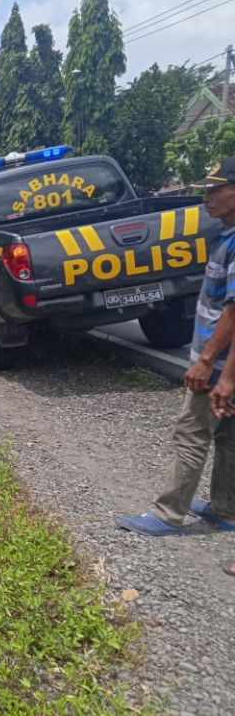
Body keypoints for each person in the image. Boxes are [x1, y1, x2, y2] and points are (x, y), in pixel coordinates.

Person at [117, 155, 235, 536]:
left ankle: (168, 514)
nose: (207, 197)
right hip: (224, 365)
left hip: (219, 365)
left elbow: (233, 313)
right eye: (206, 190)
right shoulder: (226, 236)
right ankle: (225, 509)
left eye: (215, 190)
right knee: (227, 436)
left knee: (191, 432)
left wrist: (210, 365)